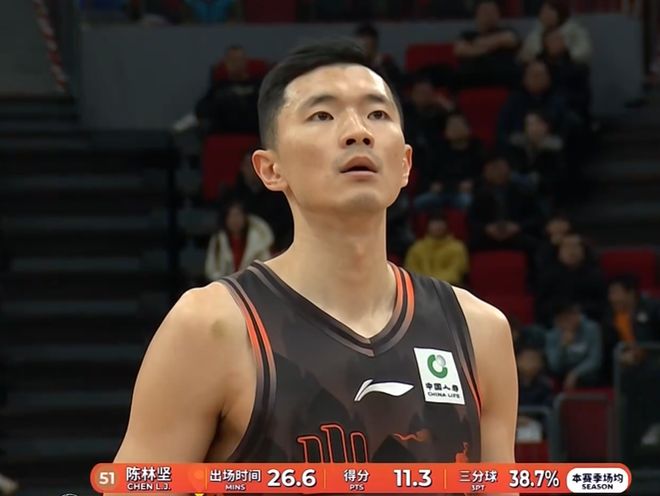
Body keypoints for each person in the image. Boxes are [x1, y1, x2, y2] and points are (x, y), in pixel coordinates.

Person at [111, 40, 518, 480]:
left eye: (377, 114)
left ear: (404, 165)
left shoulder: (480, 332)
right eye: (322, 115)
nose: (358, 132)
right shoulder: (211, 327)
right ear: (270, 169)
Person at [413, 111, 484, 212]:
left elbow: (483, 176)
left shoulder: (477, 150)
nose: (455, 129)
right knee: (419, 202)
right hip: (440, 193)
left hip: (464, 193)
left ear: (468, 129)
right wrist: (432, 185)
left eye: (458, 125)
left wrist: (473, 184)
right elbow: (428, 175)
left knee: (468, 202)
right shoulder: (439, 150)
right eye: (451, 126)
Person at [453, 0, 521, 88]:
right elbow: (460, 50)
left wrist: (476, 45)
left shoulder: (508, 31)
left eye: (493, 11)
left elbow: (511, 40)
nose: (489, 15)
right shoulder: (467, 35)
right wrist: (496, 44)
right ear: (476, 15)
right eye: (485, 11)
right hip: (473, 76)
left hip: (503, 76)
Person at [204, 200, 274, 281]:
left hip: (252, 284)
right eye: (231, 216)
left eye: (238, 215)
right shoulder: (218, 240)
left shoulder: (257, 238)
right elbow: (211, 269)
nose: (235, 220)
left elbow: (264, 265)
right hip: (225, 285)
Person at [545, 300, 603, 390]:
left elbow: (594, 359)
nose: (573, 319)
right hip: (563, 373)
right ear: (558, 321)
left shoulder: (592, 329)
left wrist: (575, 373)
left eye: (575, 314)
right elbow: (555, 366)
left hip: (586, 373)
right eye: (566, 318)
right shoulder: (552, 336)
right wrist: (562, 347)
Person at [404, 211, 469, 285]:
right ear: (427, 225)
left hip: (448, 287)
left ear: (447, 225)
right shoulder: (416, 248)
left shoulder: (457, 248)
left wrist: (433, 283)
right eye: (434, 223)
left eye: (440, 223)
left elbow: (455, 272)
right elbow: (411, 272)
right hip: (420, 288)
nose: (438, 226)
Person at [519, 0, 593, 65]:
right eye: (543, 12)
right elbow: (526, 54)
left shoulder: (574, 30)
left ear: (558, 13)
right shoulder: (537, 32)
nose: (544, 15)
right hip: (544, 69)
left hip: (569, 68)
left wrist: (565, 52)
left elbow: (585, 52)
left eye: (548, 11)